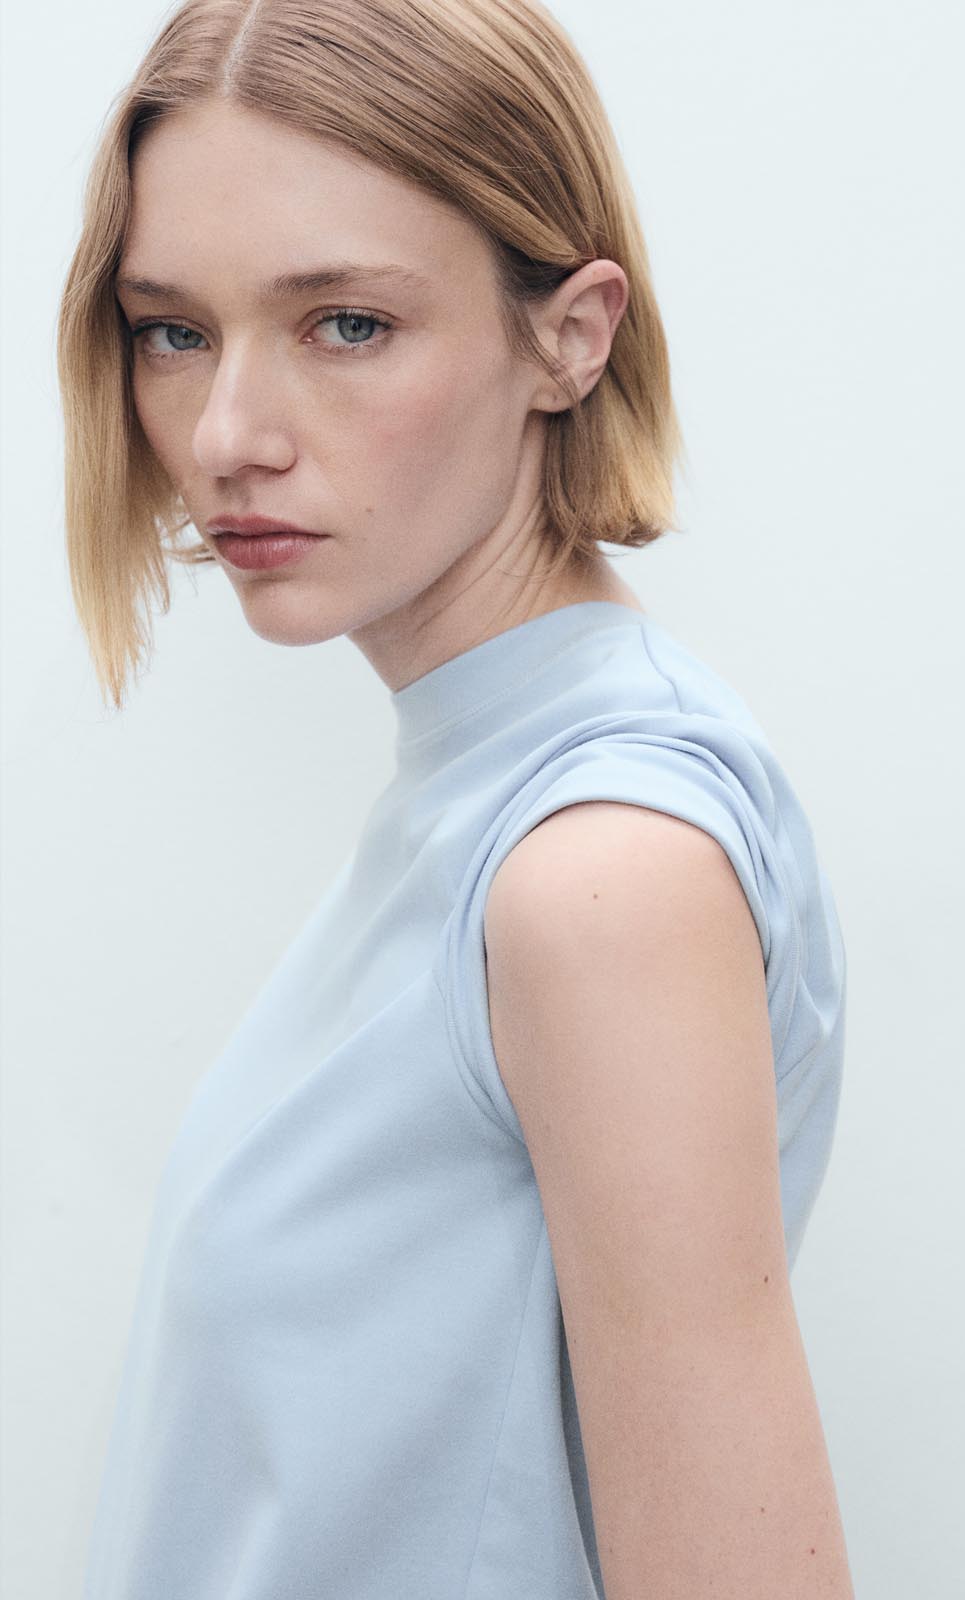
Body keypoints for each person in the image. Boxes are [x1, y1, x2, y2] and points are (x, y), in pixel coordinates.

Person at [57, 1, 854, 1595]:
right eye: (173, 332)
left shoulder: (596, 871)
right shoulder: (483, 790)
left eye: (346, 323)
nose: (227, 435)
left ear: (571, 335)